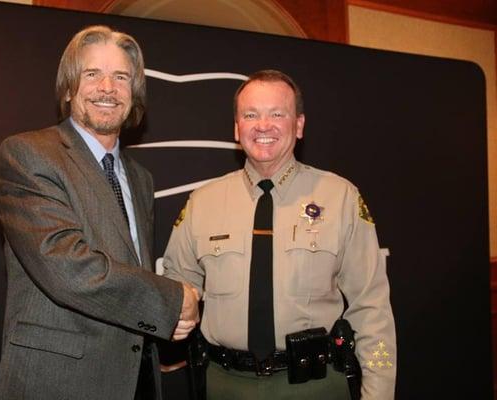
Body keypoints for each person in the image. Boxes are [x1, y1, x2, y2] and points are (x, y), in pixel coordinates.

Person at [0, 25, 199, 400]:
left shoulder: (139, 178)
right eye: (92, 74)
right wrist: (171, 302)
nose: (108, 88)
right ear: (69, 87)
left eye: (121, 77)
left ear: (134, 94)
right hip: (58, 382)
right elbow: (68, 268)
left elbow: (131, 270)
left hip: (135, 380)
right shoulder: (29, 154)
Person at [163, 70, 396, 399]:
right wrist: (177, 306)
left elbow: (371, 308)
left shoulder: (340, 197)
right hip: (225, 386)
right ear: (236, 128)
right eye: (251, 115)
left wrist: (379, 394)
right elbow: (177, 286)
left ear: (299, 125)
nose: (263, 125)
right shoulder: (203, 202)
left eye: (277, 114)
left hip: (314, 387)